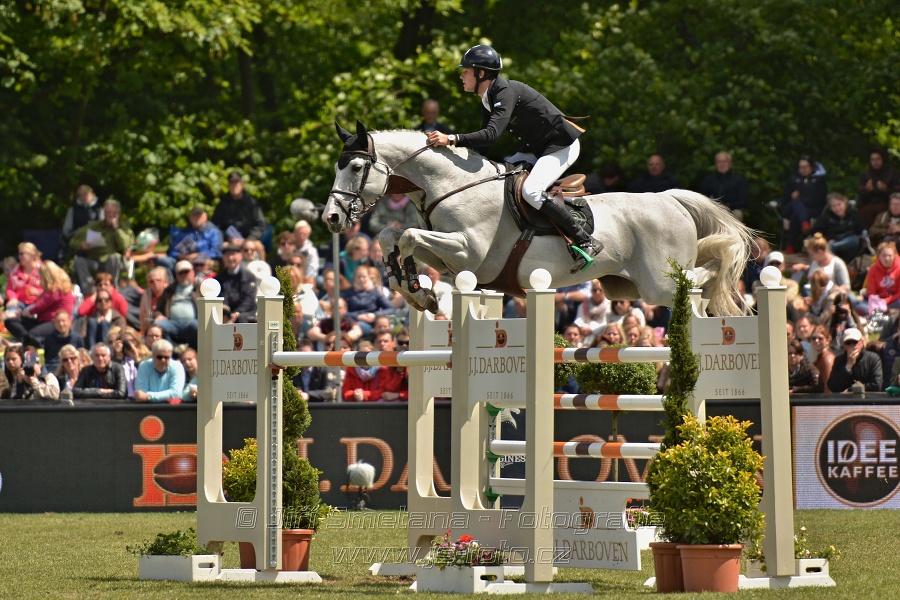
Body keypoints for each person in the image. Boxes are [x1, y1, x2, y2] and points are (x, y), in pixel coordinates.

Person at [425, 44, 598, 273]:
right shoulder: (488, 97)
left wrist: (451, 139)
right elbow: (485, 145)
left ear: (481, 73)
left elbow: (492, 134)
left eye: (465, 71)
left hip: (560, 145)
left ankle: (584, 240)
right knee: (498, 177)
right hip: (536, 148)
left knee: (531, 191)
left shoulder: (504, 91)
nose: (461, 75)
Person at [69, 198, 134, 294]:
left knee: (113, 257)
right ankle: (90, 292)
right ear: (104, 213)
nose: (111, 215)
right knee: (79, 261)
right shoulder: (94, 226)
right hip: (93, 260)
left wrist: (116, 228)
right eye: (108, 212)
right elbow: (73, 241)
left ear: (118, 214)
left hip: (112, 261)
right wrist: (81, 245)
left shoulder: (123, 228)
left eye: (114, 213)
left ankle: (111, 290)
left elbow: (126, 245)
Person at [3, 261, 76, 347]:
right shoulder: (50, 289)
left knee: (33, 334)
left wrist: (26, 312)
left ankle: (24, 343)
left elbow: (41, 306)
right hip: (42, 320)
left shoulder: (57, 288)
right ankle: (27, 341)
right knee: (11, 321)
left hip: (54, 322)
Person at [780, 155, 828, 254]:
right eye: (801, 167)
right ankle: (805, 223)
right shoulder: (793, 180)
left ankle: (790, 247)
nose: (803, 169)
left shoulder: (819, 180)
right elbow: (785, 198)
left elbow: (820, 199)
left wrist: (801, 199)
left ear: (812, 167)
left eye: (806, 167)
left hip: (812, 210)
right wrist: (792, 197)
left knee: (795, 216)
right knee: (795, 203)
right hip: (792, 207)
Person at [341, 331, 406, 402]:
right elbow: (345, 392)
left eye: (367, 354)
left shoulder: (381, 369)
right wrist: (354, 394)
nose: (364, 358)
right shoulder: (351, 370)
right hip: (356, 406)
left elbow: (385, 390)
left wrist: (365, 395)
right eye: (361, 355)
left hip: (376, 406)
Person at [341, 265, 399, 337]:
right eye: (359, 277)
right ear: (354, 278)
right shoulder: (348, 293)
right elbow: (341, 312)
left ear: (368, 277)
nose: (361, 279)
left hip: (371, 323)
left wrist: (375, 315)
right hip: (352, 321)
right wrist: (358, 316)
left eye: (364, 277)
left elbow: (391, 309)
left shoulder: (375, 292)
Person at [152, 260, 199, 347]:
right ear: (176, 275)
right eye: (181, 273)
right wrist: (158, 315)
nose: (184, 275)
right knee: (158, 326)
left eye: (186, 272)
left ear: (193, 273)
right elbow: (158, 309)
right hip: (173, 323)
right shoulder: (170, 290)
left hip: (193, 322)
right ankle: (172, 352)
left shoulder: (200, 288)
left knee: (195, 326)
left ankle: (194, 352)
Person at [162, 204, 223, 270]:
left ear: (205, 217)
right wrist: (180, 256)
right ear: (189, 218)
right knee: (165, 262)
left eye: (199, 216)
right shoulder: (182, 233)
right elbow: (172, 251)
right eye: (194, 216)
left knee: (200, 263)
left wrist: (198, 255)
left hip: (205, 260)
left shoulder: (214, 231)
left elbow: (216, 252)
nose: (196, 218)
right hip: (184, 261)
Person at [810, 192, 865, 263]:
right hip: (831, 242)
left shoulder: (853, 216)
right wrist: (826, 239)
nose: (837, 208)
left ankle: (832, 247)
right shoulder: (825, 218)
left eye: (839, 204)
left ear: (845, 204)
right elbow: (816, 232)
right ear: (830, 208)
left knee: (854, 239)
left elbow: (862, 230)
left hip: (849, 245)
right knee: (824, 247)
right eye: (834, 206)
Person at [212, 172, 267, 242]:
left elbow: (261, 225)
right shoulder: (222, 204)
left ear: (242, 185)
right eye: (232, 184)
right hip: (229, 241)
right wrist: (228, 238)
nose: (234, 186)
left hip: (250, 240)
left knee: (260, 248)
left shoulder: (252, 203)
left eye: (237, 183)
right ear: (228, 186)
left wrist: (250, 239)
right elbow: (215, 226)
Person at [827, 327, 882, 393]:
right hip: (845, 401)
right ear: (844, 345)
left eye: (855, 342)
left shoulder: (873, 358)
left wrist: (851, 390)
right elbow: (832, 386)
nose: (852, 346)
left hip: (867, 400)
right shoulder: (839, 360)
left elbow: (876, 385)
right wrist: (848, 367)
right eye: (848, 343)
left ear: (862, 342)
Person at [857, 146, 900, 229]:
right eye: (872, 159)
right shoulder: (865, 175)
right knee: (863, 211)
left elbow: (897, 193)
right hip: (870, 204)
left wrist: (886, 190)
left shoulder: (892, 174)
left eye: (878, 159)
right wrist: (867, 190)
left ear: (883, 160)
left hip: (887, 203)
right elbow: (861, 197)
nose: (875, 162)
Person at [215, 243, 258, 323]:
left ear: (240, 256)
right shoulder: (219, 278)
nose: (230, 258)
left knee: (242, 319)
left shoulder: (249, 277)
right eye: (228, 255)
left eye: (233, 254)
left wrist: (237, 313)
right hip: (226, 313)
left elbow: (249, 299)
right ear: (223, 258)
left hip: (245, 312)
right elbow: (222, 296)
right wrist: (226, 311)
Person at [699, 151, 748, 221]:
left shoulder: (738, 180)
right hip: (711, 210)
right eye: (719, 162)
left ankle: (735, 232)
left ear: (730, 163)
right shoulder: (708, 180)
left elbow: (742, 201)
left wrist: (728, 207)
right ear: (716, 164)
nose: (722, 164)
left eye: (725, 162)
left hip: (731, 210)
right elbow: (702, 196)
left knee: (738, 213)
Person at [134, 339, 185, 403]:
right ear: (152, 356)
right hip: (148, 408)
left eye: (166, 357)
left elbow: (175, 393)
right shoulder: (144, 366)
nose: (163, 360)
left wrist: (149, 396)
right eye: (159, 357)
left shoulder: (177, 366)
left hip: (171, 409)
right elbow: (141, 394)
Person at [291, 338, 339, 402]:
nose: (304, 358)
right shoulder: (293, 371)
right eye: (301, 355)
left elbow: (329, 391)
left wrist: (308, 395)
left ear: (313, 353)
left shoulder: (324, 368)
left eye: (307, 354)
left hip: (320, 407)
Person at [3, 242, 43, 318]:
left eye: (22, 254)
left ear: (31, 254)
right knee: (9, 316)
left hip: (37, 302)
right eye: (19, 254)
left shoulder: (43, 270)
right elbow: (9, 289)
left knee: (31, 316)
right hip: (19, 302)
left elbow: (52, 290)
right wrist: (13, 298)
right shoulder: (14, 271)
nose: (19, 257)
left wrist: (38, 292)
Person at [860, 241, 900, 313]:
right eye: (884, 255)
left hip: (894, 301)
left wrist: (885, 301)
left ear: (894, 256)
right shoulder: (873, 269)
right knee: (855, 301)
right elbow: (872, 292)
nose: (887, 258)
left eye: (890, 256)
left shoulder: (899, 269)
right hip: (877, 303)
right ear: (879, 256)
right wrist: (878, 303)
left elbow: (899, 293)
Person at [573, 279, 611, 345]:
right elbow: (579, 319)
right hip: (584, 332)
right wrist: (581, 327)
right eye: (594, 290)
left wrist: (591, 329)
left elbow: (605, 323)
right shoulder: (584, 304)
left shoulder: (609, 304)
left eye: (600, 290)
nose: (597, 292)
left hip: (599, 334)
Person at [138, 267, 170, 334]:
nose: (155, 283)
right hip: (151, 330)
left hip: (167, 327)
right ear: (148, 284)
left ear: (165, 282)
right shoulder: (146, 295)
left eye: (158, 280)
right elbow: (142, 316)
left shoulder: (171, 293)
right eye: (151, 281)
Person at [810, 326, 835, 392]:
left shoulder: (827, 358)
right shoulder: (820, 357)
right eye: (813, 338)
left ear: (827, 340)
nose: (816, 341)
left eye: (820, 338)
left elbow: (828, 387)